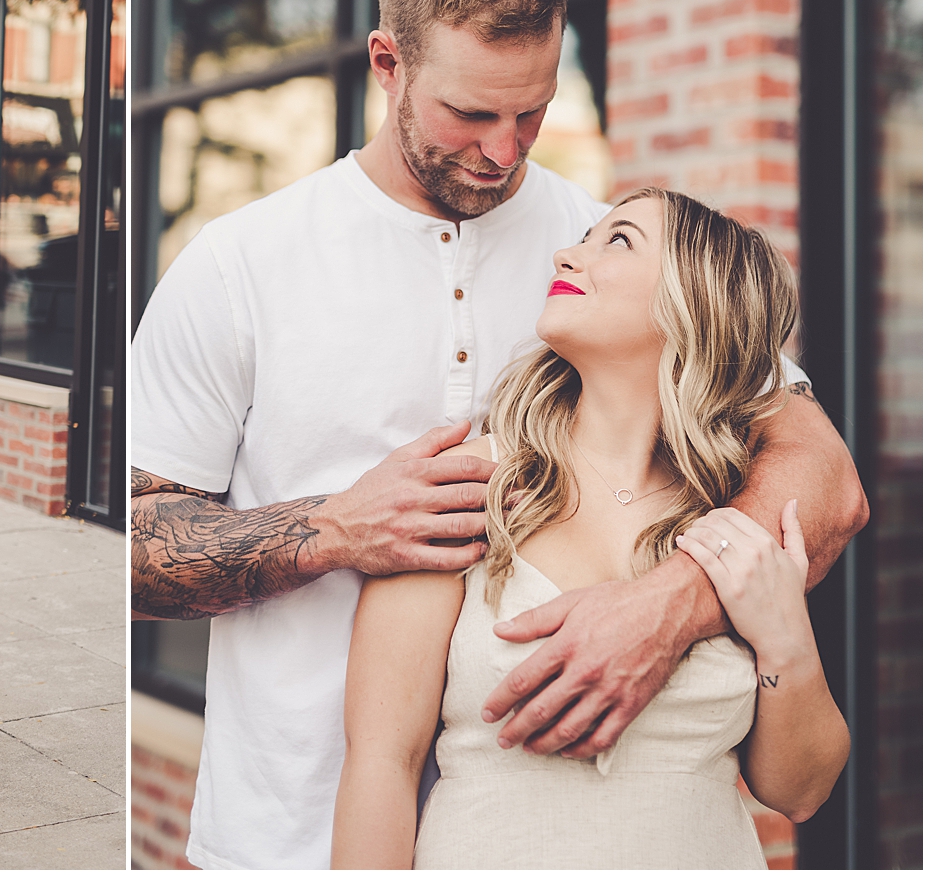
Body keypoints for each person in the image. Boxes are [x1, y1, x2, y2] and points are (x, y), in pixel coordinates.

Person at [129, 0, 867, 870]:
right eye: (470, 115)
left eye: (532, 112)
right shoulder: (239, 264)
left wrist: (672, 603)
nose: (504, 150)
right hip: (285, 828)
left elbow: (823, 476)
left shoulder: (601, 249)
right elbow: (133, 548)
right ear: (387, 63)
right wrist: (334, 529)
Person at [333, 190, 850, 868]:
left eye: (620, 240)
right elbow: (381, 763)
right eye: (586, 235)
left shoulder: (739, 511)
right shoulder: (463, 486)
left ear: (693, 301)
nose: (567, 253)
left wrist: (785, 639)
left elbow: (800, 789)